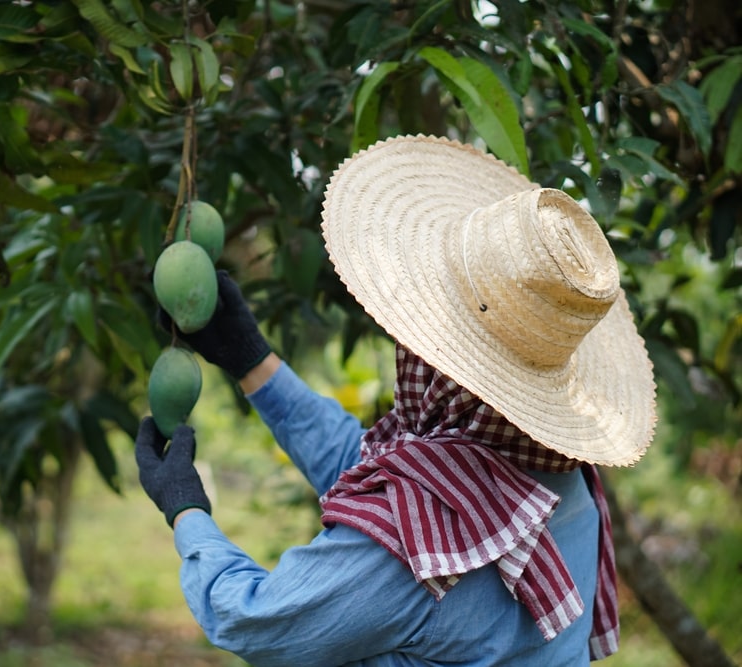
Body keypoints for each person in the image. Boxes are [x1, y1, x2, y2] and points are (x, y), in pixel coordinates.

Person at [134, 134, 657, 666]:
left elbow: (253, 619)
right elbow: (376, 472)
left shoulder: (417, 552)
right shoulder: (563, 478)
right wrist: (253, 362)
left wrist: (186, 509)